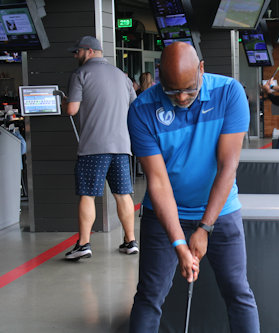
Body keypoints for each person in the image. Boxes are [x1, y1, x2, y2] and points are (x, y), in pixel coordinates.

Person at [127, 42, 259, 332]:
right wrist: (178, 242)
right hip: (163, 215)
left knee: (238, 292)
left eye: (190, 88)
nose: (183, 97)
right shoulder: (141, 110)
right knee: (149, 296)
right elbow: (158, 182)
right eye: (173, 91)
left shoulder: (229, 93)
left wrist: (205, 228)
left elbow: (228, 167)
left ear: (202, 68)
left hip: (220, 213)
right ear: (158, 75)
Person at [64, 36, 138, 260]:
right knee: (123, 194)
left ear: (88, 51)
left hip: (93, 146)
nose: (76, 56)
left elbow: (72, 110)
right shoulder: (121, 76)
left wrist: (64, 102)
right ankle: (130, 240)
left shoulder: (80, 74)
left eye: (77, 52)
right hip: (121, 146)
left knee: (88, 195)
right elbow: (135, 107)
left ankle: (84, 244)